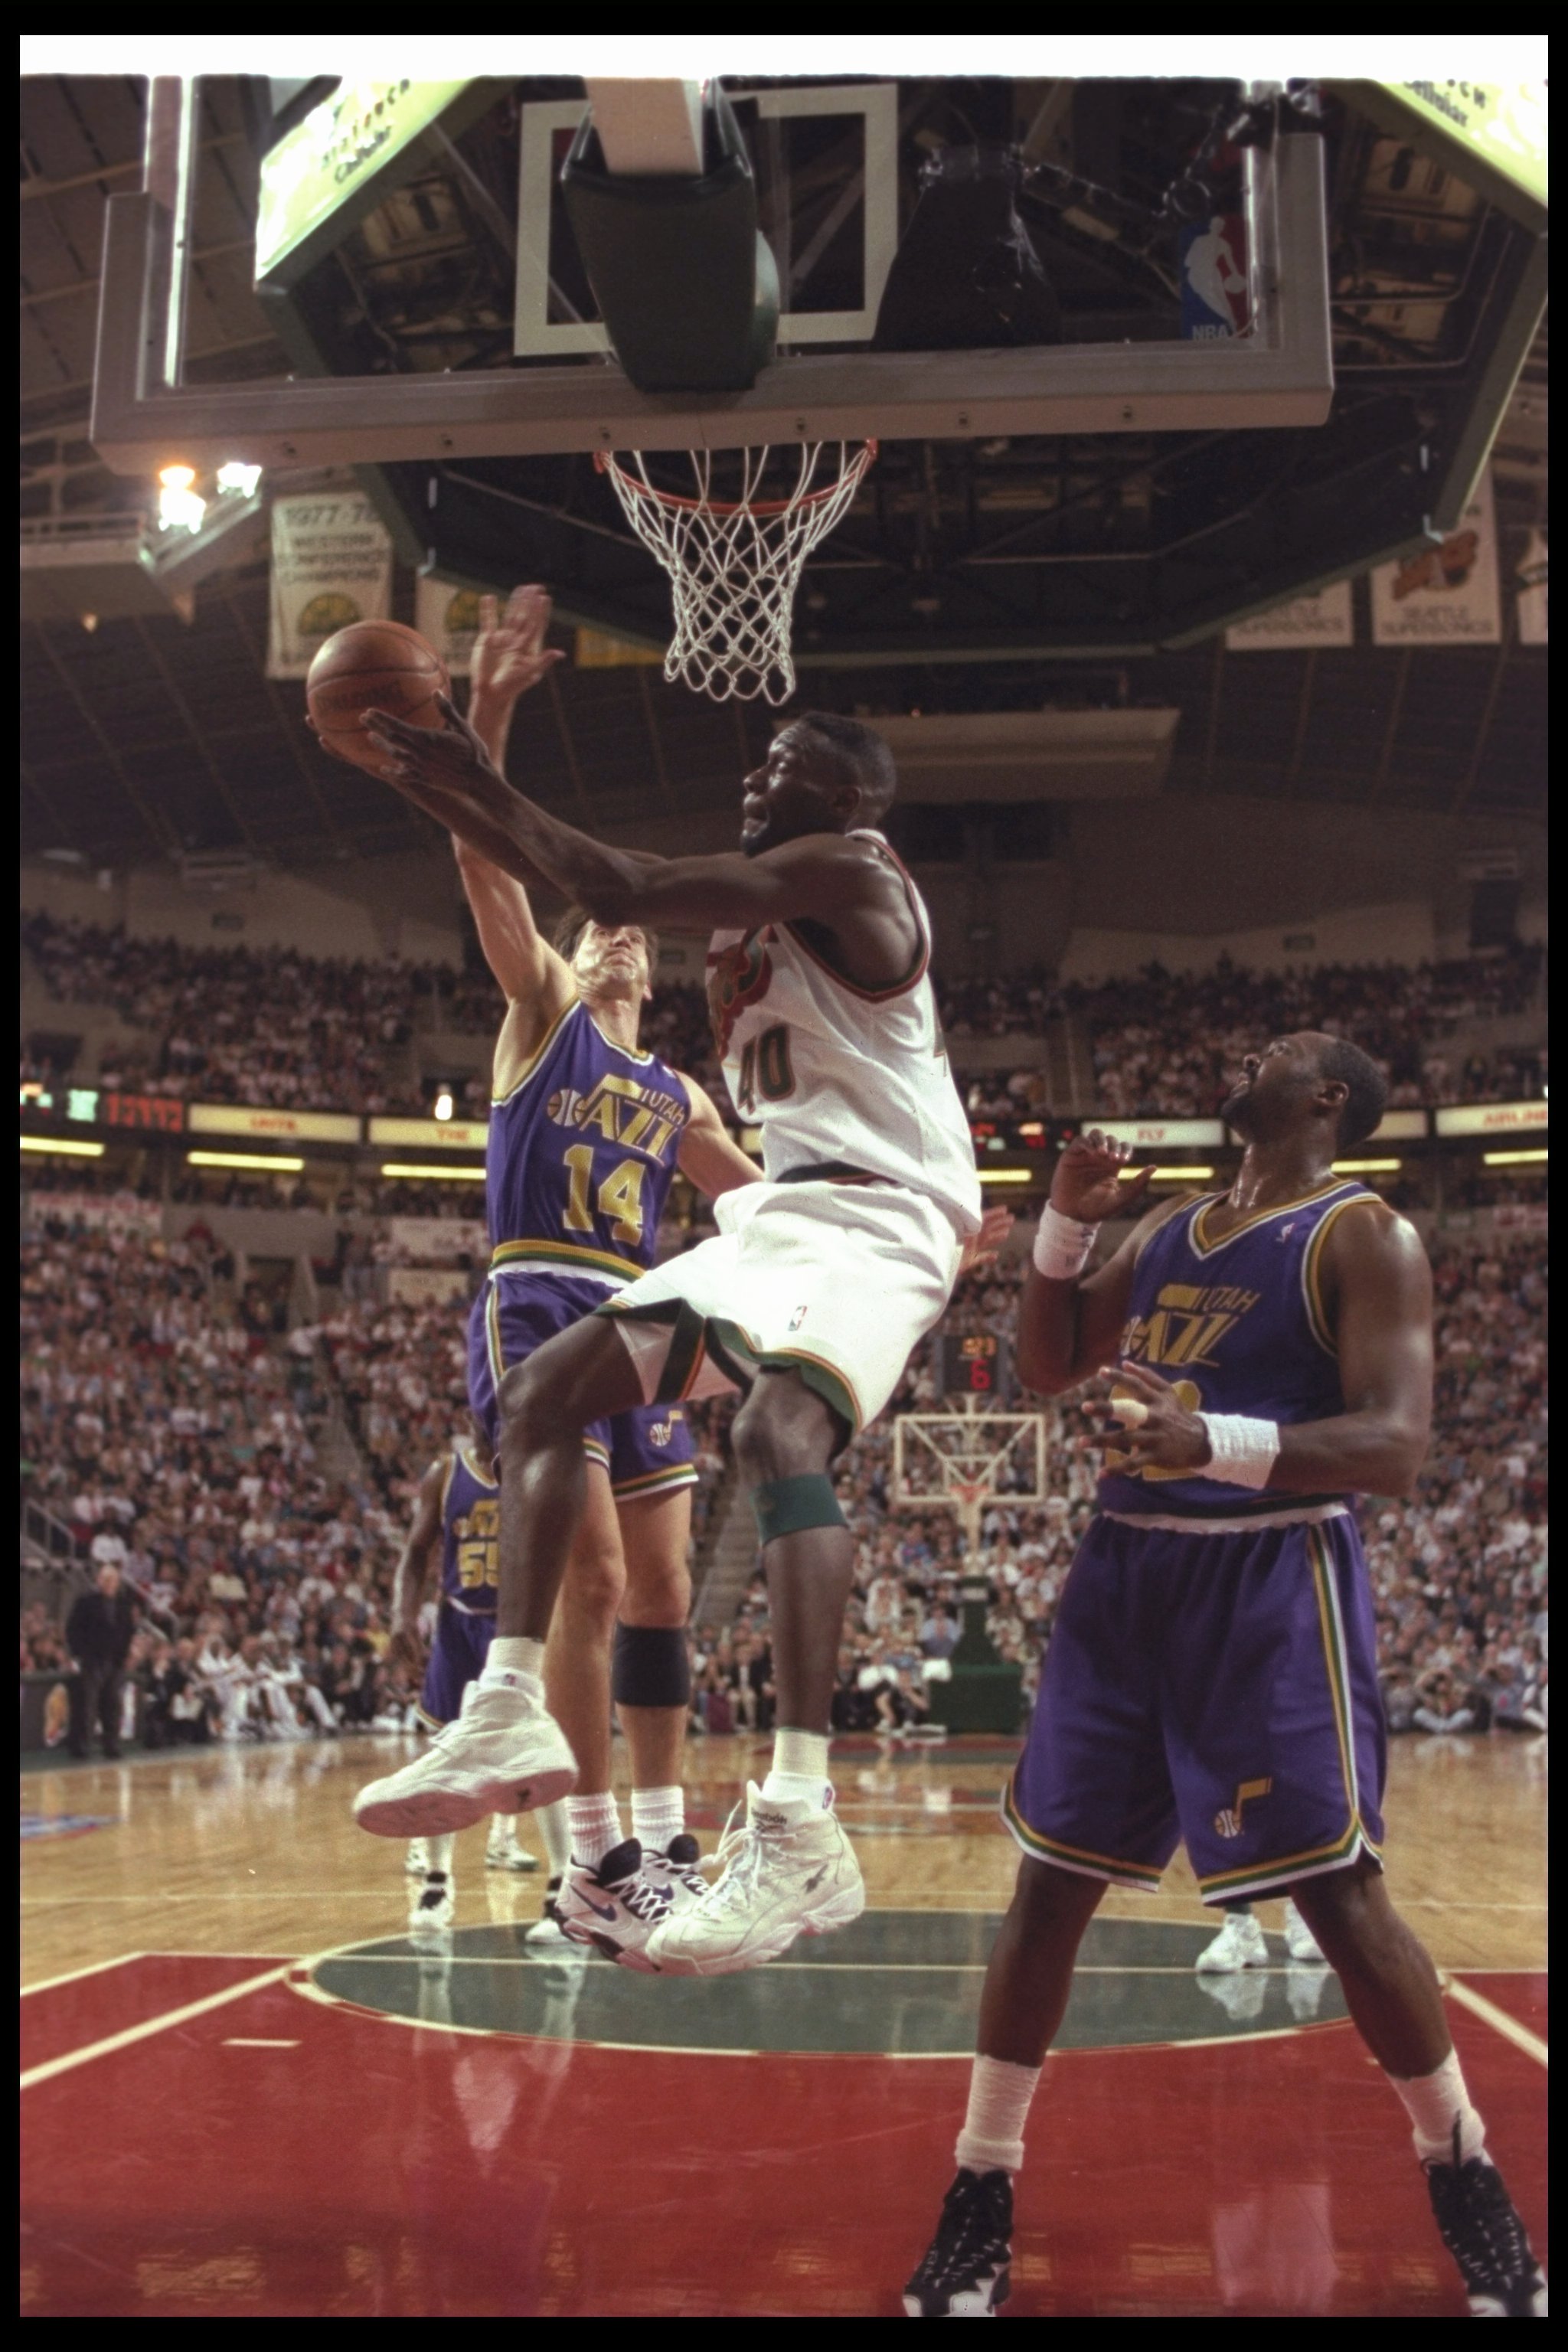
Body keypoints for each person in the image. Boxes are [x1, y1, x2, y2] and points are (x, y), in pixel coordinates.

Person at [351, 611, 989, 1977]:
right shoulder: (584, 1007)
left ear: (852, 794)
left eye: (790, 760)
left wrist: (459, 756)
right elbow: (538, 892)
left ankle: (797, 1821)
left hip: (875, 1216)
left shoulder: (849, 870)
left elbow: (617, 878)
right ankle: (511, 1701)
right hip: (787, 1211)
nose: (759, 777)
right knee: (538, 1393)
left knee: (772, 1437)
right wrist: (455, 762)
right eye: (758, 763)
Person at [905, 1035, 1546, 2319]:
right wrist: (1061, 1237)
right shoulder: (1168, 1225)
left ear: (1324, 1100)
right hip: (1123, 1571)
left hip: (1264, 1578)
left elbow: (1393, 1446)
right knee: (1047, 1886)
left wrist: (1218, 1437)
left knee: (1337, 1896)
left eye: (1284, 1052)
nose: (1249, 1053)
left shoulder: (1364, 1236)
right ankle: (979, 2185)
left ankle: (1461, 2166)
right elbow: (1047, 1365)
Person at [351, 588, 766, 1967]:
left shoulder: (679, 1088)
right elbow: (485, 863)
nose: (619, 936)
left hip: (642, 1319)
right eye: (599, 930)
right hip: (539, 1301)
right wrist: (489, 718)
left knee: (656, 1588)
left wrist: (915, 1230)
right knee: (587, 1580)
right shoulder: (537, 1013)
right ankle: (591, 1862)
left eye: (627, 933)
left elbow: (765, 1208)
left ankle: (656, 1842)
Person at [388, 1424, 542, 1931]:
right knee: (444, 1747)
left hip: (516, 1623)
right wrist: (400, 1617)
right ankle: (432, 1865)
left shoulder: (535, 1465)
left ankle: (510, 1843)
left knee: (526, 1747)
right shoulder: (446, 1474)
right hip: (459, 1621)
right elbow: (414, 1552)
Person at [64, 1563, 136, 1761]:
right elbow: (72, 1630)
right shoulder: (86, 1602)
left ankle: (111, 1745)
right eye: (105, 1579)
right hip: (92, 1661)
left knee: (113, 1705)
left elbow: (129, 1631)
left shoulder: (124, 1604)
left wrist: (125, 1655)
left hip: (115, 1662)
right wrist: (79, 1654)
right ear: (98, 1581)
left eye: (113, 1580)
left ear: (118, 1582)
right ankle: (83, 1747)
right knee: (88, 1706)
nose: (109, 1584)